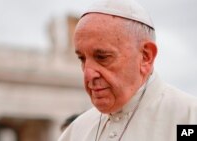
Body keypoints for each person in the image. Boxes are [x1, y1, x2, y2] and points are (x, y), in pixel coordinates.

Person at [58, 0, 197, 141]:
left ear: (145, 56)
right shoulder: (75, 132)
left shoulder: (190, 119)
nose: (88, 74)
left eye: (102, 57)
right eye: (82, 59)